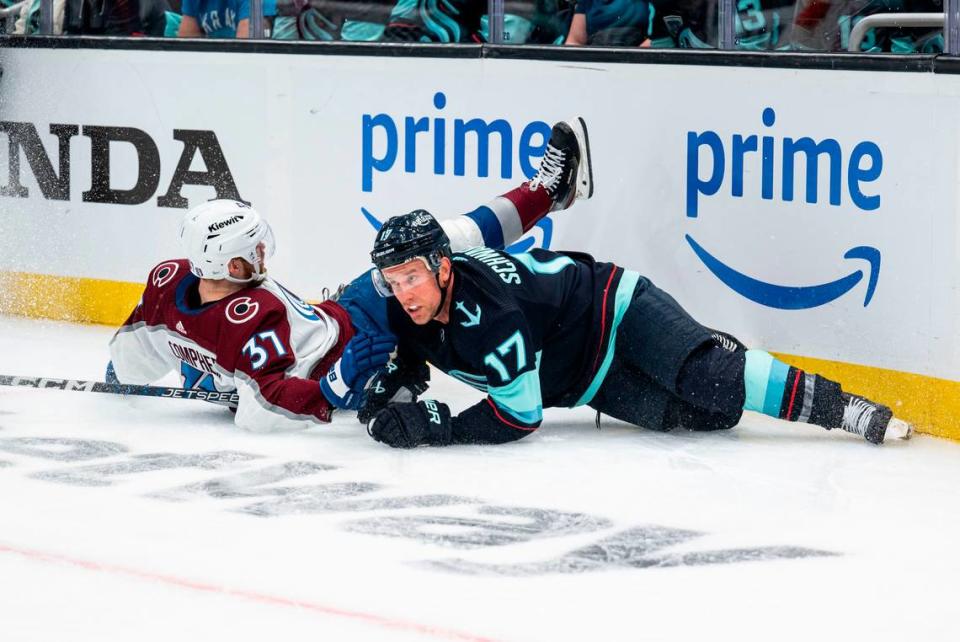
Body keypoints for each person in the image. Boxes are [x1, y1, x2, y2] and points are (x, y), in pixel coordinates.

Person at [360, 118, 914, 448]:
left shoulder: (493, 318)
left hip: (613, 308)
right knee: (707, 416)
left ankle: (842, 408)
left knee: (709, 379)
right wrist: (402, 381)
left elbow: (519, 414)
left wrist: (443, 428)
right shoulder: (401, 303)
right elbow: (416, 342)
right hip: (587, 381)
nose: (403, 290)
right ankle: (704, 348)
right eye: (394, 279)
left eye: (412, 275)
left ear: (443, 266)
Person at [107, 121, 587, 432]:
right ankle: (545, 194)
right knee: (437, 252)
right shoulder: (252, 314)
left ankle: (546, 194)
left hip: (343, 311)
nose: (262, 251)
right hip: (355, 346)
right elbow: (266, 409)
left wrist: (126, 377)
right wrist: (337, 384)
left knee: (433, 239)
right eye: (251, 249)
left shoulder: (169, 281)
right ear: (231, 266)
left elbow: (135, 349)